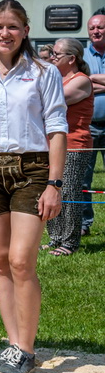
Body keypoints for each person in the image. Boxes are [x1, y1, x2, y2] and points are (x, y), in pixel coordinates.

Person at [0, 0, 66, 373]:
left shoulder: (44, 72)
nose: (5, 33)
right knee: (0, 262)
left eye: (13, 26)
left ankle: (26, 347)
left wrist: (54, 183)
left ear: (25, 30)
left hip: (32, 170)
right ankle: (12, 343)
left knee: (22, 261)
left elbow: (56, 129)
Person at [46, 38, 93, 256]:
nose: (51, 58)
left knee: (69, 192)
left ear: (72, 59)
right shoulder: (56, 79)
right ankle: (55, 237)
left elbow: (56, 100)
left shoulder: (81, 81)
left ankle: (70, 241)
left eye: (56, 54)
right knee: (50, 191)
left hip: (75, 145)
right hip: (51, 145)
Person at [80, 12, 105, 236]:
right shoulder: (82, 55)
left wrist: (91, 80)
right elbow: (79, 83)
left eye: (100, 28)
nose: (95, 32)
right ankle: (84, 224)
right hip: (87, 125)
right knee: (84, 177)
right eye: (91, 28)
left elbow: (86, 82)